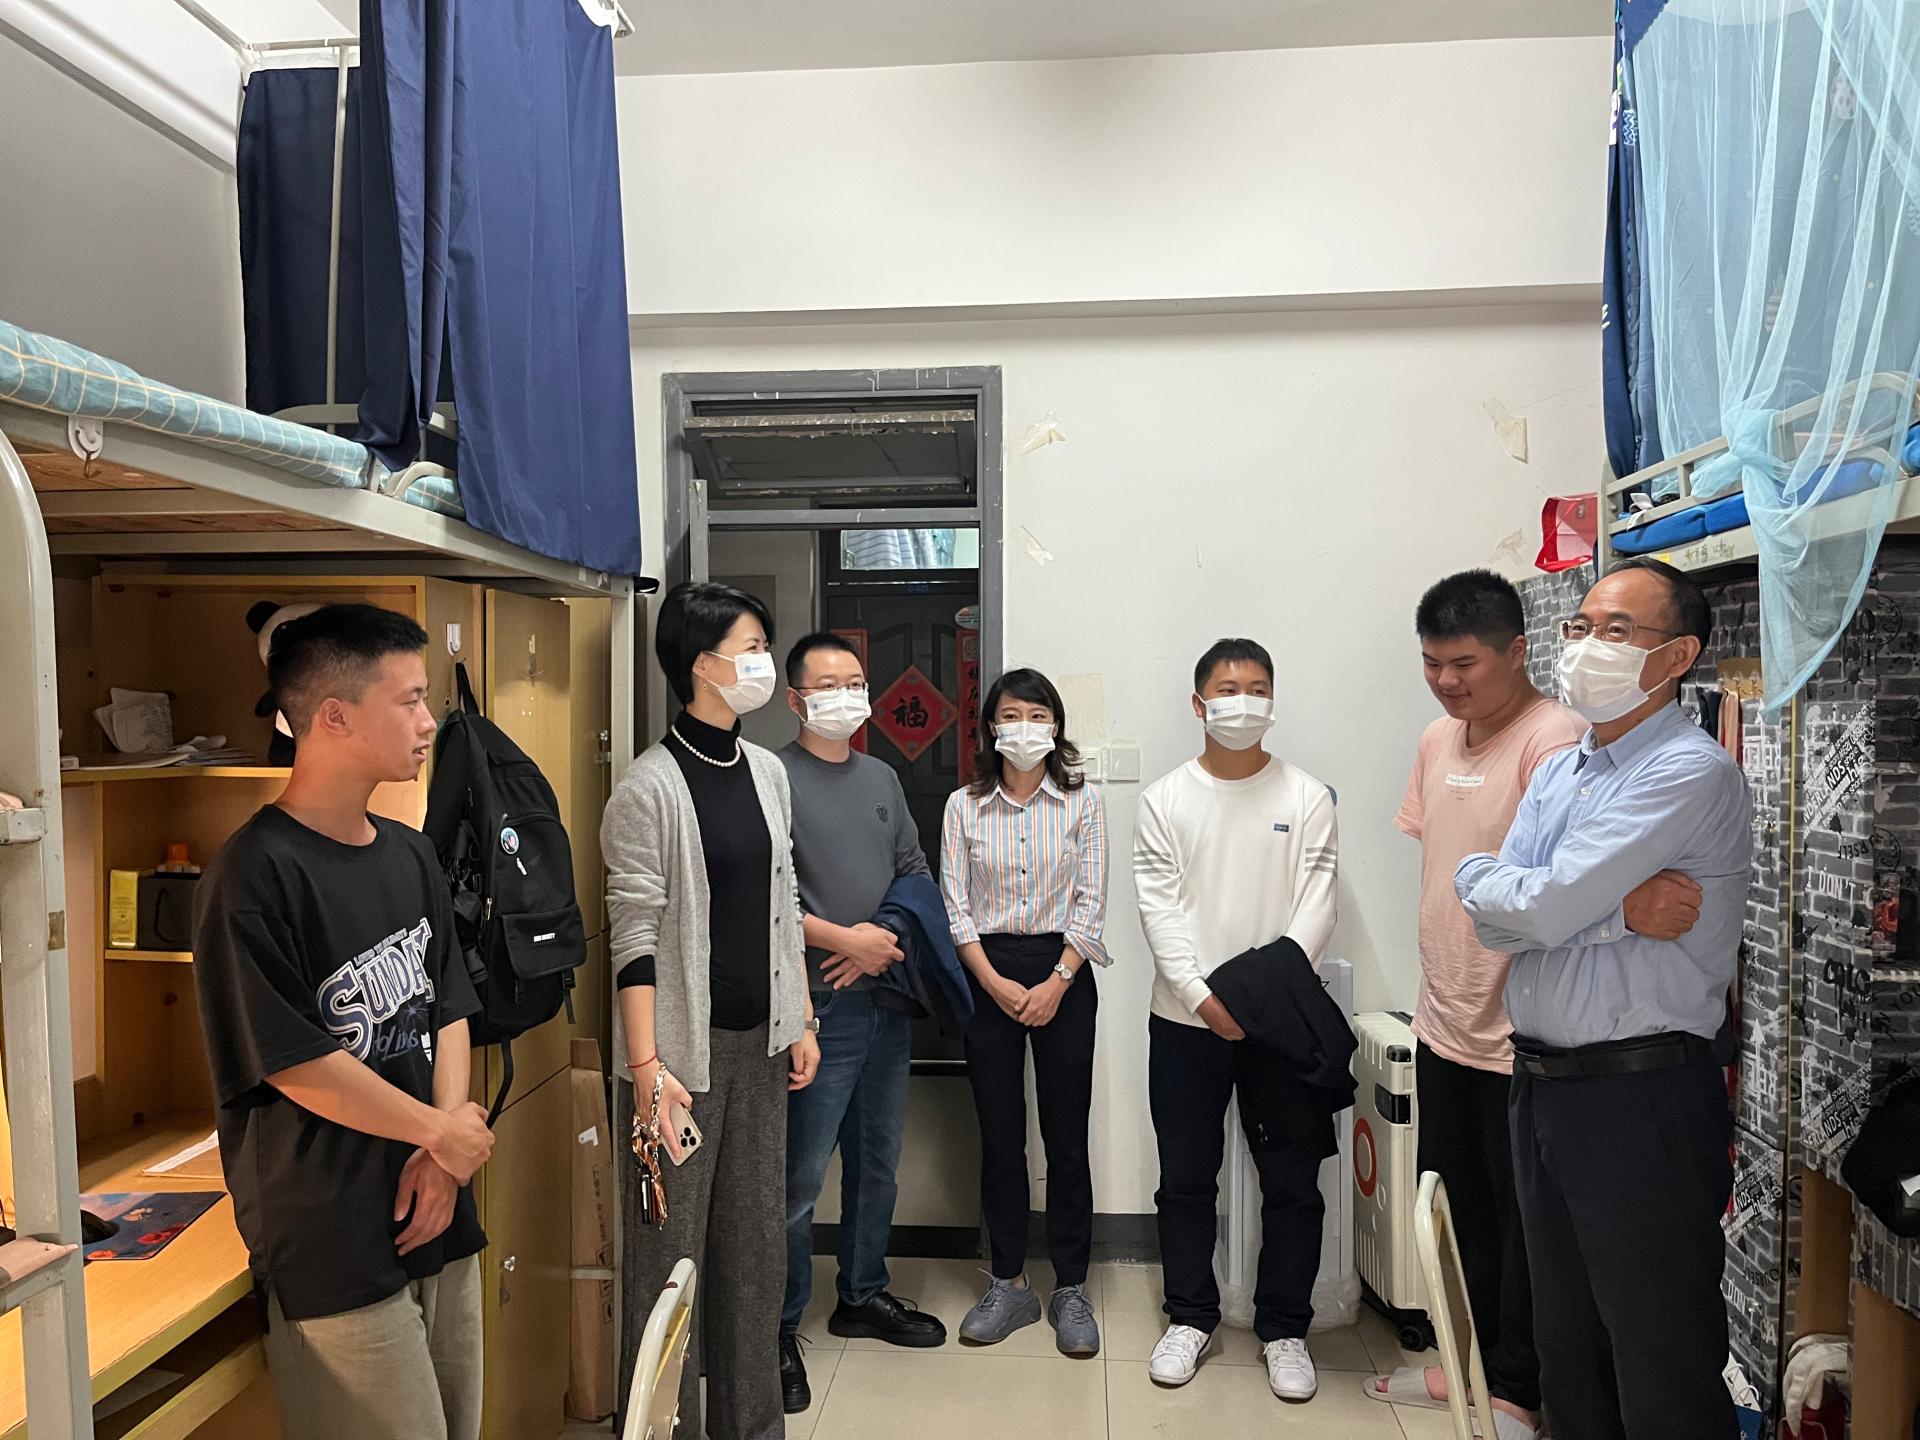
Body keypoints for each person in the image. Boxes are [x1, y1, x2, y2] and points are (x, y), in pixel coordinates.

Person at [1454, 558, 1749, 1440]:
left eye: (1617, 631)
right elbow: (1495, 906)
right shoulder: (1563, 769)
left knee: (1658, 1355)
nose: (1588, 646)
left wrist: (1542, 903)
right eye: (1581, 627)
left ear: (1677, 656)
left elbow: (1537, 907)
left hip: (1640, 1096)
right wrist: (1617, 910)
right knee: (1568, 1351)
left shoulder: (1687, 771)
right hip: (1543, 1085)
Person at [191, 604, 494, 1440]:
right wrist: (441, 1132)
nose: (429, 722)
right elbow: (294, 1060)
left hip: (437, 1201)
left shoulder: (409, 851)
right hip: (331, 1233)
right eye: (410, 700)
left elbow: (447, 1006)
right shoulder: (252, 875)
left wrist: (443, 1150)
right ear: (334, 716)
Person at [601, 581, 820, 1440]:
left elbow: (783, 898)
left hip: (761, 1049)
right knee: (669, 1263)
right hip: (679, 1065)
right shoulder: (648, 788)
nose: (763, 661)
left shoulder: (766, 772)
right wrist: (648, 1070)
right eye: (751, 647)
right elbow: (633, 937)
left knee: (755, 1257)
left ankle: (751, 1428)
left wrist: (801, 1015)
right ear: (701, 664)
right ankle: (661, 1430)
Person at [1367, 572, 1584, 1434]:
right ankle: (1464, 1366)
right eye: (1432, 664)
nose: (1446, 682)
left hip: (1519, 1035)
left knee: (1523, 1226)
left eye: (1464, 664)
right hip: (1443, 1023)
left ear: (1516, 651)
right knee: (1454, 1214)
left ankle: (1518, 1388)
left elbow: (1556, 889)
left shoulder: (1553, 740)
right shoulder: (1436, 739)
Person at [1133, 637, 1339, 1404]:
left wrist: (1254, 1002)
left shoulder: (1307, 796)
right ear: (1199, 704)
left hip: (1282, 1024)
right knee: (1187, 1180)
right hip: (1183, 1020)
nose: (1242, 702)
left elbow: (1317, 906)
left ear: (1273, 701)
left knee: (1293, 1183)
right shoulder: (1165, 799)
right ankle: (1190, 1317)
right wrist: (1202, 999)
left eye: (1256, 688)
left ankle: (1285, 1329)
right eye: (1227, 689)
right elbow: (1159, 910)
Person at [777, 633, 947, 1413]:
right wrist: (841, 942)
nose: (846, 695)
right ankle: (778, 1326)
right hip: (813, 1010)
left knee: (878, 1162)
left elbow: (915, 874)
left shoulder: (881, 777)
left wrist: (879, 937)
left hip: (885, 997)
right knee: (799, 1178)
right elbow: (763, 895)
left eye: (855, 681)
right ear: (794, 699)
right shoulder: (772, 777)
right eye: (828, 684)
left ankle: (862, 1293)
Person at [939, 668, 1109, 1355]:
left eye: (1038, 716)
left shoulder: (1083, 802)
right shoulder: (963, 805)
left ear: (1056, 726)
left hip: (1064, 970)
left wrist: (1056, 981)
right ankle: (1009, 1283)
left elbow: (1091, 900)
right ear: (991, 727)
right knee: (1001, 1134)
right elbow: (955, 906)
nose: (1025, 728)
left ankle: (1071, 1287)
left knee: (1067, 1138)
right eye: (1012, 715)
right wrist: (993, 982)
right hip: (987, 972)